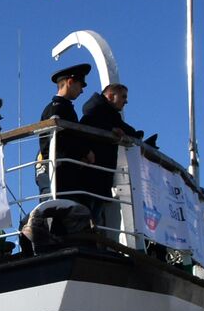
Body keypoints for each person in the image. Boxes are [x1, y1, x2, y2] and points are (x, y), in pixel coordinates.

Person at [79, 83, 141, 229]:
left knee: (96, 215)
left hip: (102, 174)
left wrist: (138, 137)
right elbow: (90, 124)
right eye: (123, 97)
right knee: (90, 215)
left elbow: (127, 129)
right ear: (111, 96)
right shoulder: (94, 112)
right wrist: (110, 129)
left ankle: (93, 238)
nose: (126, 101)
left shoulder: (111, 116)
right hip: (92, 174)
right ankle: (90, 238)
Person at [36, 63, 96, 197]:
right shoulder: (57, 109)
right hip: (61, 170)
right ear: (70, 82)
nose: (82, 91)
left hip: (65, 169)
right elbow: (61, 140)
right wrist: (84, 152)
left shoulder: (63, 108)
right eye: (80, 85)